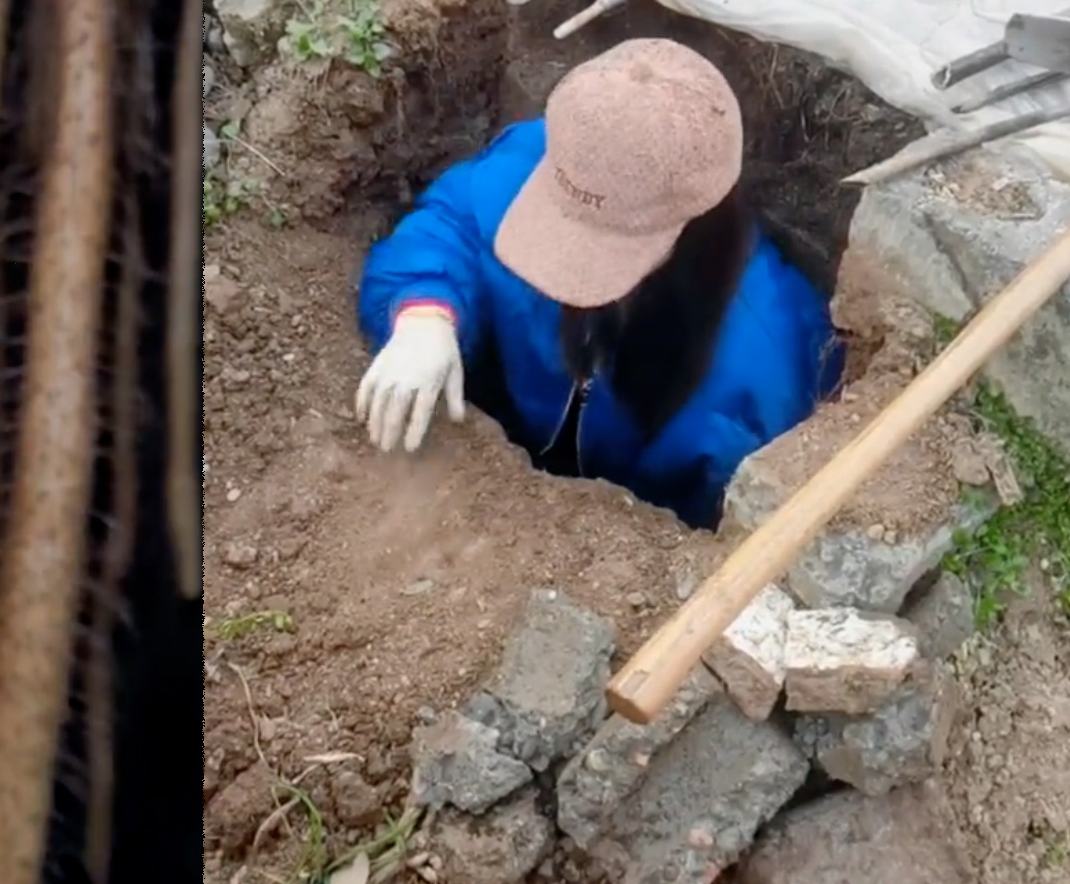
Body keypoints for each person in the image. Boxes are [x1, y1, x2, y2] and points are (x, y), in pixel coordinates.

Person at [353, 38, 843, 530]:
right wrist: (425, 314)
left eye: (602, 248)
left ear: (694, 226)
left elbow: (720, 525)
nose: (569, 282)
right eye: (564, 227)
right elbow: (453, 221)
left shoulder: (762, 373)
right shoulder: (569, 158)